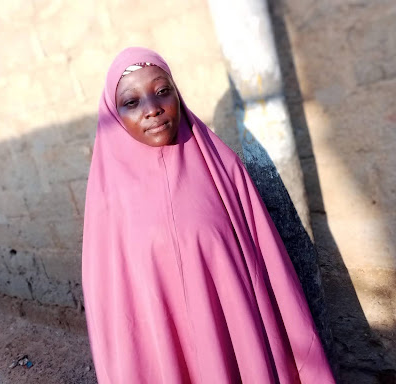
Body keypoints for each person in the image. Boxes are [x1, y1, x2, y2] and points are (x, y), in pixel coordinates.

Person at [82, 47, 335, 383]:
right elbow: (115, 312)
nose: (152, 110)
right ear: (114, 115)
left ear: (177, 95)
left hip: (238, 346)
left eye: (162, 92)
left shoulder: (223, 169)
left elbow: (270, 271)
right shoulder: (107, 203)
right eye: (132, 102)